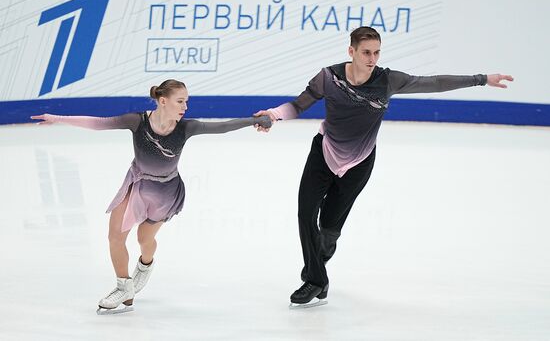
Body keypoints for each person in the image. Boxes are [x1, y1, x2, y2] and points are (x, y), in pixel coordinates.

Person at [253, 26, 513, 308]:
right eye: (366, 52)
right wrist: (273, 115)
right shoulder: (329, 77)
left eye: (377, 52)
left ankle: (317, 267)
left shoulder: (388, 81)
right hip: (324, 152)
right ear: (351, 51)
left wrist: (482, 79)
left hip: (359, 163)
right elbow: (298, 105)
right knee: (306, 213)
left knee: (328, 229)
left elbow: (434, 83)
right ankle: (316, 281)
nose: (372, 58)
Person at [31, 79, 272, 315]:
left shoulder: (186, 128)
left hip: (165, 192)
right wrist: (57, 119)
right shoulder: (137, 121)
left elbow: (223, 127)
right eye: (180, 101)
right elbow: (99, 123)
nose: (185, 107)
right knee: (115, 235)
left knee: (144, 238)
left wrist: (254, 121)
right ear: (163, 101)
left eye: (186, 101)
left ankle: (145, 266)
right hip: (136, 183)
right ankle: (123, 287)